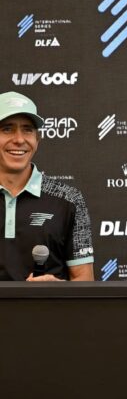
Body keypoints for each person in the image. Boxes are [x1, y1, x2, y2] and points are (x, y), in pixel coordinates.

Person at [0, 91, 94, 281]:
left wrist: (58, 289)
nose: (19, 139)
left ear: (38, 140)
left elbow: (85, 280)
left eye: (27, 129)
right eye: (7, 129)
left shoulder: (69, 199)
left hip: (47, 311)